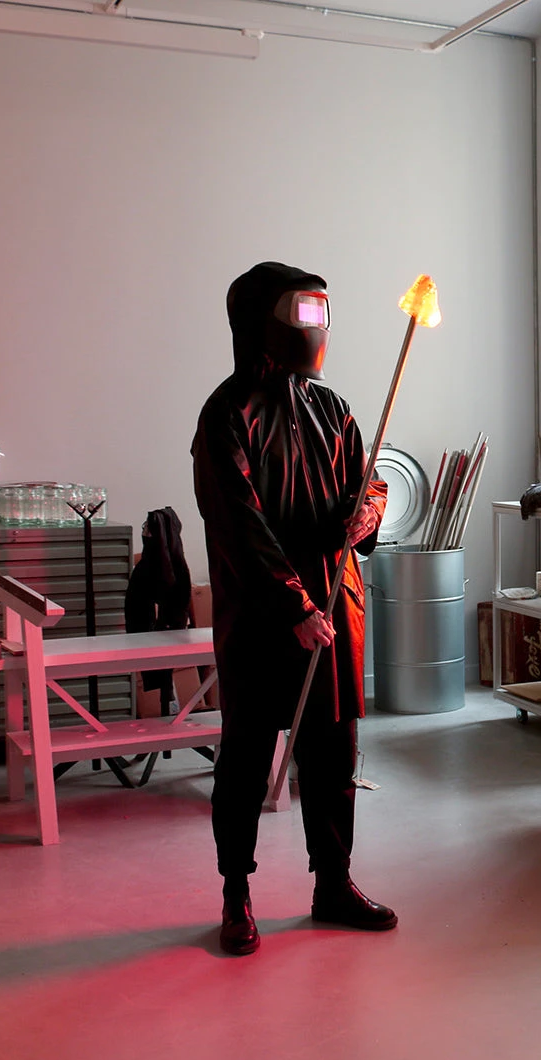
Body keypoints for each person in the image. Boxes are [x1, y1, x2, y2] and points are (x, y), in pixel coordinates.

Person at [192, 261, 392, 956]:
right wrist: (294, 605)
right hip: (263, 616)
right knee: (247, 759)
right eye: (302, 313)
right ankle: (236, 894)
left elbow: (371, 482)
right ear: (261, 321)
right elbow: (239, 526)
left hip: (336, 608)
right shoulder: (226, 416)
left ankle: (333, 882)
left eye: (320, 313)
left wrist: (366, 514)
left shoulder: (332, 410)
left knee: (333, 756)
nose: (318, 328)